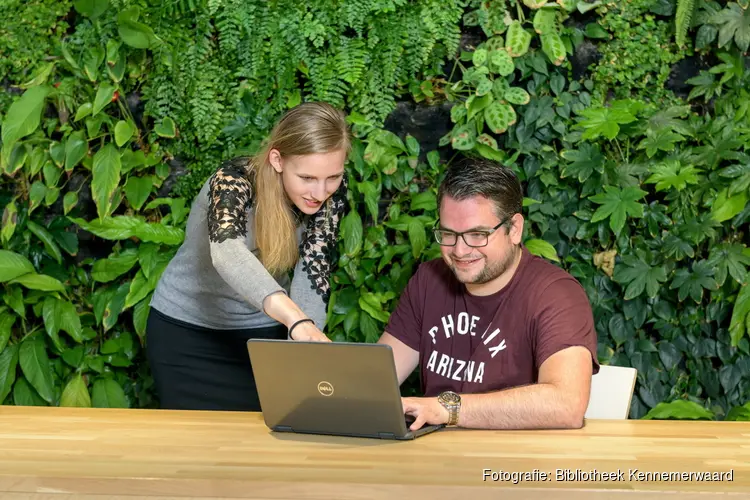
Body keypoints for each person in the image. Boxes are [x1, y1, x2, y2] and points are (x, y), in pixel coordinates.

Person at [146, 102, 350, 412]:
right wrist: (296, 321)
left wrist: (306, 343)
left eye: (332, 178)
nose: (320, 193)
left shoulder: (331, 194)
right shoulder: (233, 181)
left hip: (262, 338)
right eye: (307, 178)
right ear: (277, 159)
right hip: (186, 334)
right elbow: (227, 252)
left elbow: (314, 269)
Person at [377, 157, 599, 431]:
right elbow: (374, 386)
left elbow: (566, 405)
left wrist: (447, 408)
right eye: (448, 233)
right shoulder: (428, 280)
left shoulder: (555, 294)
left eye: (478, 234)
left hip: (516, 466)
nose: (459, 250)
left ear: (514, 229)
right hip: (435, 461)